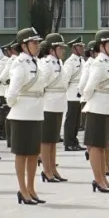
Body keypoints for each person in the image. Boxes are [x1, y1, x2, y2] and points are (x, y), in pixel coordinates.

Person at [6, 27, 51, 205]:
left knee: (33, 153)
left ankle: (31, 188)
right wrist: (16, 104)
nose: (37, 45)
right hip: (22, 113)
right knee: (22, 154)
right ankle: (22, 189)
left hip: (36, 112)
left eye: (38, 42)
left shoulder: (35, 62)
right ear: (23, 46)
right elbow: (12, 93)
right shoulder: (19, 64)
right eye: (34, 42)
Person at [80, 30, 109, 192]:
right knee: (96, 145)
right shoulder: (98, 63)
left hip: (107, 106)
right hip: (97, 106)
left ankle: (103, 178)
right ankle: (98, 179)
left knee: (103, 144)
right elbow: (87, 87)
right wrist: (89, 100)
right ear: (102, 45)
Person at [39, 34, 69, 182]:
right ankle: (47, 170)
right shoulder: (46, 64)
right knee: (46, 140)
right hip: (48, 103)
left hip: (58, 103)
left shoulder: (59, 63)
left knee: (53, 139)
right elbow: (41, 83)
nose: (63, 51)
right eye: (60, 48)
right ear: (52, 50)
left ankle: (53, 168)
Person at [62, 38, 84, 152]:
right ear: (74, 48)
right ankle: (68, 142)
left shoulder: (82, 61)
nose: (82, 48)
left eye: (82, 46)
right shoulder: (70, 62)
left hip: (80, 94)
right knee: (71, 120)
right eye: (80, 46)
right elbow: (65, 79)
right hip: (71, 93)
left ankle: (74, 141)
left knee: (76, 120)